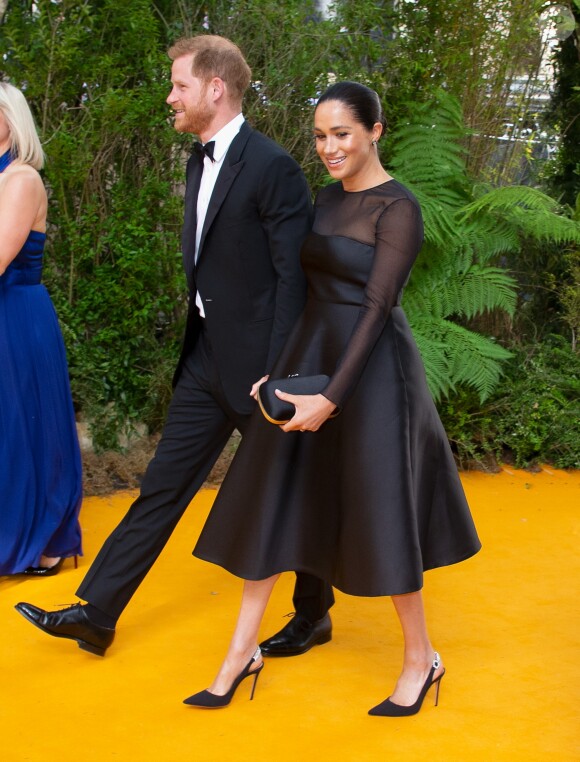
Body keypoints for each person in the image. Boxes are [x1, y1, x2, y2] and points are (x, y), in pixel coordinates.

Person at [15, 35, 334, 656]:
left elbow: (294, 279)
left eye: (179, 85)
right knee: (162, 486)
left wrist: (279, 374)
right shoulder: (197, 159)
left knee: (293, 487)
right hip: (206, 359)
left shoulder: (273, 167)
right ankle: (97, 612)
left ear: (215, 88)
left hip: (260, 370)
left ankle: (313, 612)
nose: (171, 96)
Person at [182, 81, 482, 716]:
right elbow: (304, 290)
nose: (328, 147)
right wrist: (278, 372)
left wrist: (332, 399)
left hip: (372, 376)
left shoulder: (397, 208)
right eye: (320, 136)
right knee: (273, 493)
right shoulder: (321, 200)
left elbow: (376, 309)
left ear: (375, 130)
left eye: (341, 133)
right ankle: (241, 653)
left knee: (383, 513)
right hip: (310, 356)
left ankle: (419, 658)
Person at [0, 83, 82, 576]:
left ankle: (38, 541)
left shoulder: (22, 179)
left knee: (18, 430)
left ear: (10, 121)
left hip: (14, 320)